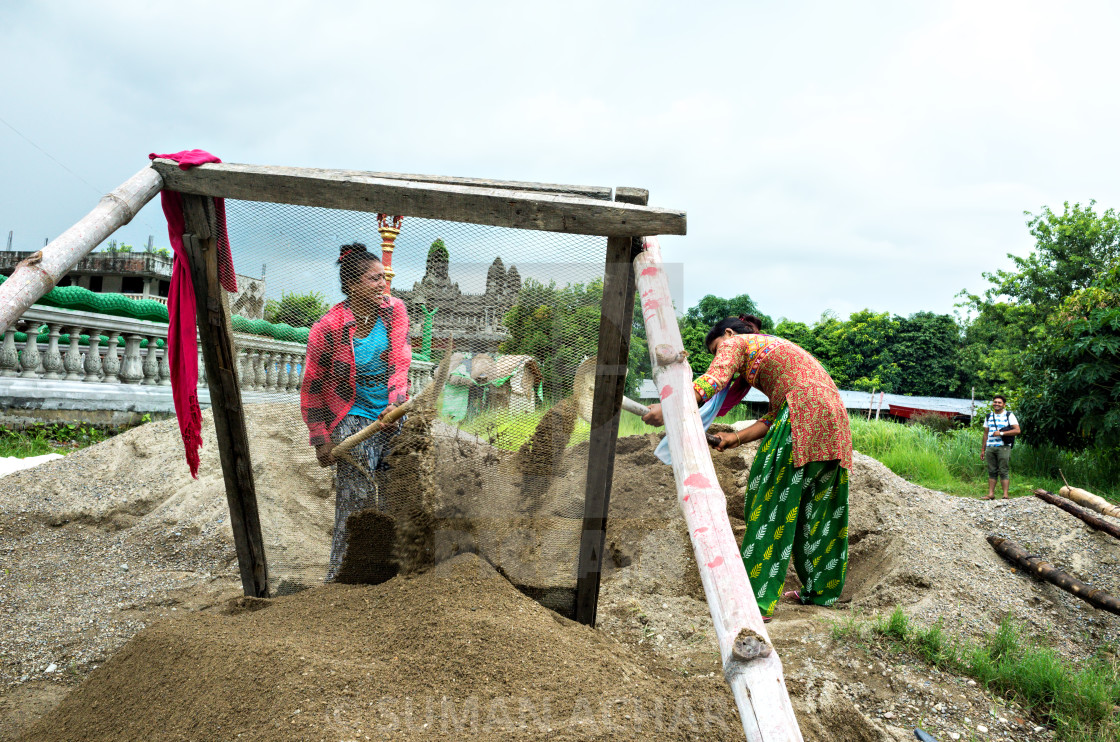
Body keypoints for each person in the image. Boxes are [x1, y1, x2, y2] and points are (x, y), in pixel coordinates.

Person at [642, 316, 853, 620]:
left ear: (727, 334)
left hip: (801, 412)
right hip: (835, 419)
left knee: (770, 501)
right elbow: (773, 415)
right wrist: (734, 439)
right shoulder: (776, 348)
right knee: (820, 508)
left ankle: (755, 600)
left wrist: (669, 407)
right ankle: (821, 592)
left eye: (716, 349)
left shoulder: (736, 342)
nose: (720, 355)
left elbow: (712, 381)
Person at [301, 243, 411, 580]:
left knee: (400, 491)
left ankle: (395, 574)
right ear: (352, 285)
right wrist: (320, 440)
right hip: (351, 417)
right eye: (374, 279)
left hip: (392, 413)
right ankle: (341, 579)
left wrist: (394, 405)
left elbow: (400, 361)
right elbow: (312, 388)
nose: (383, 285)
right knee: (356, 502)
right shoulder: (328, 328)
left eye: (384, 278)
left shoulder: (395, 311)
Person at [980, 394, 1020, 500]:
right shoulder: (988, 416)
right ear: (993, 403)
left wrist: (1001, 434)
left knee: (1003, 470)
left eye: (999, 402)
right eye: (995, 402)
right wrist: (983, 449)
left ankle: (1005, 495)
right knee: (991, 470)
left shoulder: (1009, 415)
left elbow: (1017, 430)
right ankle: (991, 494)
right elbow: (985, 433)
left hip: (1004, 446)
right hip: (990, 446)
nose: (997, 404)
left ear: (1004, 404)